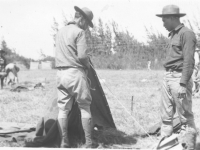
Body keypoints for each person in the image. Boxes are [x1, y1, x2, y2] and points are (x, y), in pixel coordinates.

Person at [156, 5, 197, 149]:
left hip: (179, 78)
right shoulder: (173, 34)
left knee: (185, 117)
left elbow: (189, 61)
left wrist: (183, 83)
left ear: (173, 18)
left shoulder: (187, 34)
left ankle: (189, 146)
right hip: (168, 76)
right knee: (166, 116)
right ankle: (166, 144)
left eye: (164, 19)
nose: (163, 23)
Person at [55, 6, 94, 148]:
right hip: (75, 73)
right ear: (82, 19)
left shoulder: (59, 31)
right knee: (85, 107)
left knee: (63, 109)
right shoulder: (79, 32)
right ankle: (89, 144)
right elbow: (82, 56)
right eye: (87, 24)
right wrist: (88, 65)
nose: (87, 28)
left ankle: (64, 143)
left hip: (60, 74)